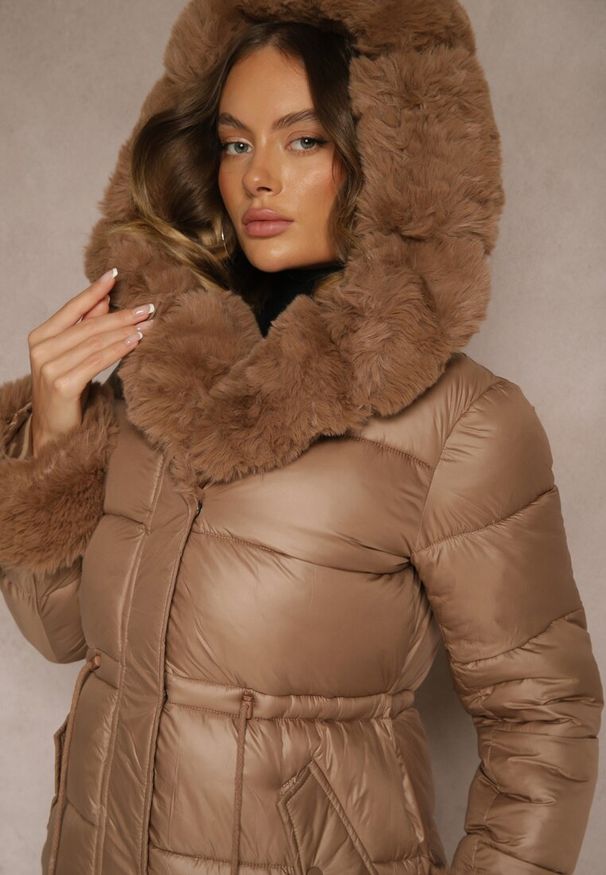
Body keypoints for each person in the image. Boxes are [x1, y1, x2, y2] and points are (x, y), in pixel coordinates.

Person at [0, 2, 602, 874]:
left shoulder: (461, 423)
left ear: (384, 156)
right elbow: (63, 636)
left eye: (304, 139)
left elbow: (544, 720)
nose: (259, 177)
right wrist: (54, 430)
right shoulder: (152, 377)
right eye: (236, 143)